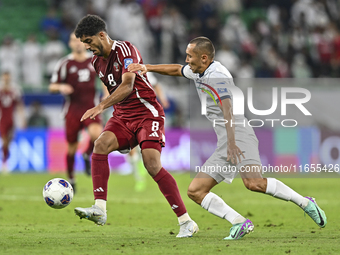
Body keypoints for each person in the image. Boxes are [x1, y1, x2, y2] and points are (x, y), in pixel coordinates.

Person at [128, 36, 327, 240]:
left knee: (254, 183)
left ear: (204, 58)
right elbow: (176, 70)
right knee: (196, 191)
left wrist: (231, 143)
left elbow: (228, 109)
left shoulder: (217, 76)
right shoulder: (199, 70)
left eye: (190, 56)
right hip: (226, 139)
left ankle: (305, 203)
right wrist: (148, 67)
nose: (187, 60)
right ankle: (240, 222)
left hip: (238, 134)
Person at [73, 14, 198, 238]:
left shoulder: (125, 50)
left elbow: (128, 85)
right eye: (84, 43)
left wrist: (101, 106)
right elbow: (112, 90)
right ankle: (99, 209)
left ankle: (186, 221)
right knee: (100, 145)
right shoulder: (96, 62)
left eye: (89, 41)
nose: (87, 47)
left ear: (101, 35)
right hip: (122, 116)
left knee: (151, 164)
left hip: (146, 113)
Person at [49, 33, 105, 191]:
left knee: (97, 136)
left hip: (91, 107)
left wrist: (106, 94)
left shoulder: (94, 59)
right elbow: (52, 86)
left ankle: (87, 154)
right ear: (69, 43)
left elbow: (104, 79)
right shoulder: (65, 63)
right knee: (72, 148)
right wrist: (61, 87)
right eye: (74, 40)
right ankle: (71, 178)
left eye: (81, 40)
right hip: (72, 110)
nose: (78, 44)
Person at [0, 72, 26, 173]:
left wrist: (22, 119)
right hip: (2, 119)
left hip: (11, 119)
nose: (6, 80)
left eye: (8, 78)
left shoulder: (15, 91)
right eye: (5, 78)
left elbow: (20, 105)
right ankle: (5, 162)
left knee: (9, 141)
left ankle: (6, 158)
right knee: (5, 140)